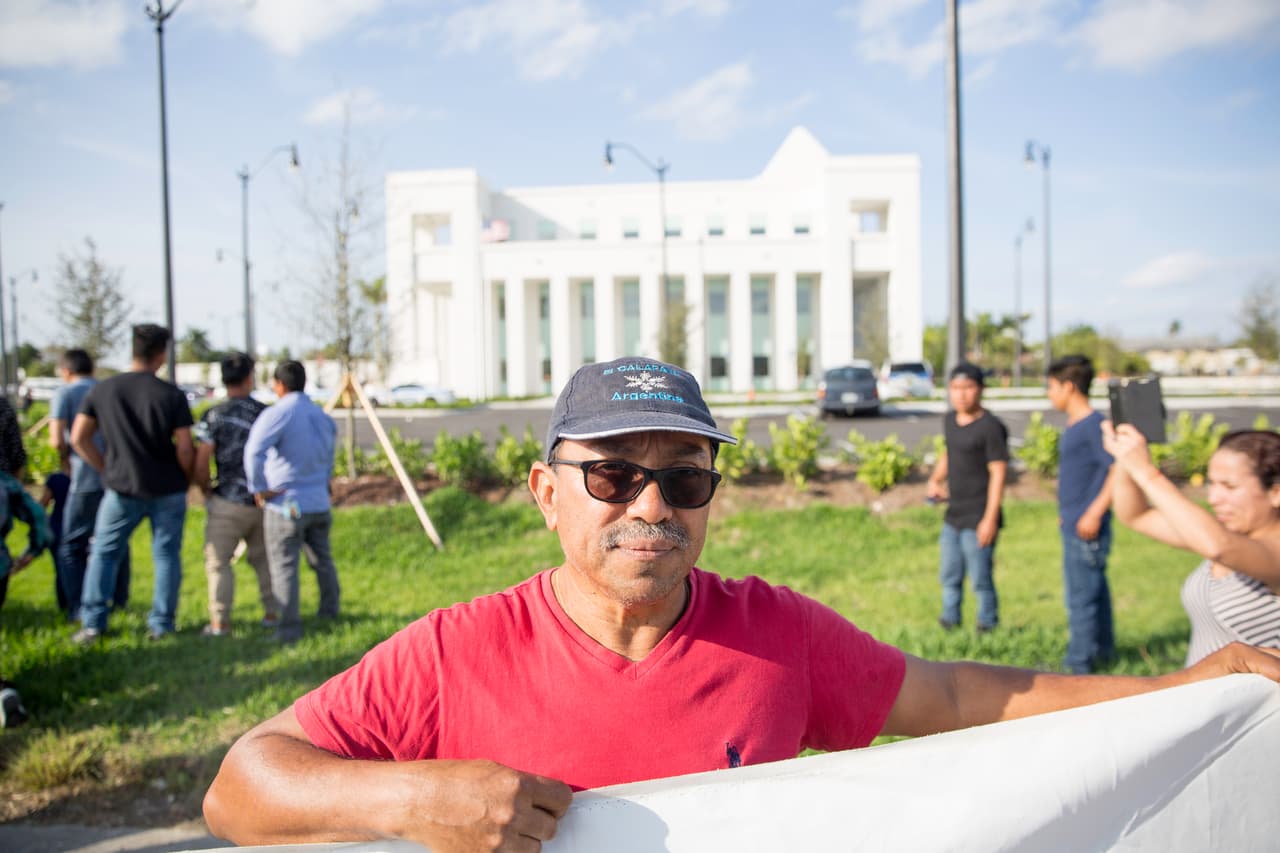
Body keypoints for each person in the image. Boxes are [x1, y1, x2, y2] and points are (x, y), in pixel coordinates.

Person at [204, 357, 1280, 851]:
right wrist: (407, 800)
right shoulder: (452, 650)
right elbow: (239, 791)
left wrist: (1174, 688)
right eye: (613, 475)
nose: (651, 505)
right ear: (544, 492)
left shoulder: (774, 634)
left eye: (685, 476)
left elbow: (956, 691)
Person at [1105, 424, 1280, 665]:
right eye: (1212, 483)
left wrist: (1147, 473)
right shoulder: (1229, 534)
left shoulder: (1251, 547)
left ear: (1276, 492)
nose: (1213, 498)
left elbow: (1219, 547)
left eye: (1228, 486)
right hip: (1204, 697)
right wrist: (1126, 459)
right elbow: (1136, 515)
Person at [70, 325, 194, 644]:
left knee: (104, 553)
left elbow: (78, 437)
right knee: (166, 556)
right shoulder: (170, 394)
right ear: (161, 354)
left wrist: (103, 467)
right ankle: (162, 624)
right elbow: (184, 446)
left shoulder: (103, 390)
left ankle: (93, 623)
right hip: (168, 488)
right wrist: (189, 477)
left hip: (121, 486)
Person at [243, 360, 339, 643]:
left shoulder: (278, 413)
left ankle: (288, 629)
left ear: (280, 385)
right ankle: (330, 613)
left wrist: (259, 489)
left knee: (284, 566)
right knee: (323, 561)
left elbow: (253, 452)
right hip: (319, 501)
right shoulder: (322, 417)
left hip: (286, 504)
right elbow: (329, 458)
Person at [194, 353, 278, 636]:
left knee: (218, 564)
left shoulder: (213, 415)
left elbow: (202, 459)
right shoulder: (265, 414)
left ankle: (220, 622)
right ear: (249, 378)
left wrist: (206, 490)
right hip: (262, 501)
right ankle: (272, 615)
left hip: (226, 501)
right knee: (265, 562)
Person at [926, 362, 1009, 632]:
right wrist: (935, 480)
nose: (961, 394)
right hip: (954, 515)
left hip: (979, 516)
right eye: (955, 388)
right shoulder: (950, 420)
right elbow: (949, 454)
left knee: (980, 578)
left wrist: (990, 519)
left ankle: (988, 625)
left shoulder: (991, 427)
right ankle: (950, 621)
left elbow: (998, 472)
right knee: (949, 575)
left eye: (968, 387)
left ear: (981, 389)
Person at [49, 348, 129, 623]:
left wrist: (65, 464)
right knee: (114, 541)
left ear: (66, 371)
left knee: (71, 545)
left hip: (83, 478)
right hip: (115, 477)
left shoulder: (64, 393)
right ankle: (119, 602)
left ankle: (77, 608)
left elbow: (58, 439)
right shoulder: (108, 389)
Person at [1047, 355, 1116, 674]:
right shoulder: (1077, 424)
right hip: (1073, 521)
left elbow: (1117, 468)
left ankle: (1078, 664)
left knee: (1081, 597)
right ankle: (1103, 652)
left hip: (1087, 526)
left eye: (1052, 387)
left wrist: (1094, 512)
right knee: (1094, 589)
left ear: (1069, 386)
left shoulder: (1094, 424)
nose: (1050, 394)